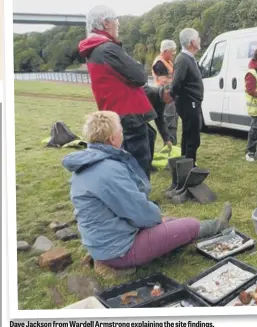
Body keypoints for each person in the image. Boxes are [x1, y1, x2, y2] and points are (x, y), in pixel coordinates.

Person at [62, 111, 233, 269]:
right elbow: (138, 211)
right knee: (189, 225)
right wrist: (157, 218)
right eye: (120, 130)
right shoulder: (108, 170)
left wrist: (158, 218)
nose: (123, 134)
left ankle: (172, 237)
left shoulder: (89, 162)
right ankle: (218, 225)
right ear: (112, 138)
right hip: (119, 250)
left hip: (105, 241)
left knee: (169, 221)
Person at [78, 5, 157, 180]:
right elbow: (139, 76)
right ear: (106, 23)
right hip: (128, 112)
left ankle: (134, 194)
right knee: (138, 158)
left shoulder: (95, 49)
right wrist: (136, 64)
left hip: (117, 110)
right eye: (116, 20)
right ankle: (137, 201)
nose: (118, 24)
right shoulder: (107, 49)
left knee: (147, 139)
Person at [170, 28, 204, 166]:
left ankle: (186, 161)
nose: (200, 39)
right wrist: (172, 97)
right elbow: (177, 83)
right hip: (189, 102)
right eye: (198, 37)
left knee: (190, 132)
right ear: (192, 42)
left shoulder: (189, 58)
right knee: (192, 135)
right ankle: (189, 165)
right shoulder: (183, 59)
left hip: (193, 101)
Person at [151, 39, 179, 145]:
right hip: (164, 96)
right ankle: (169, 143)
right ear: (165, 51)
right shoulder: (159, 63)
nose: (173, 53)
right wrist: (176, 81)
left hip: (170, 94)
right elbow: (163, 80)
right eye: (172, 51)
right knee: (169, 120)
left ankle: (173, 143)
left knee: (173, 120)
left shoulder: (168, 61)